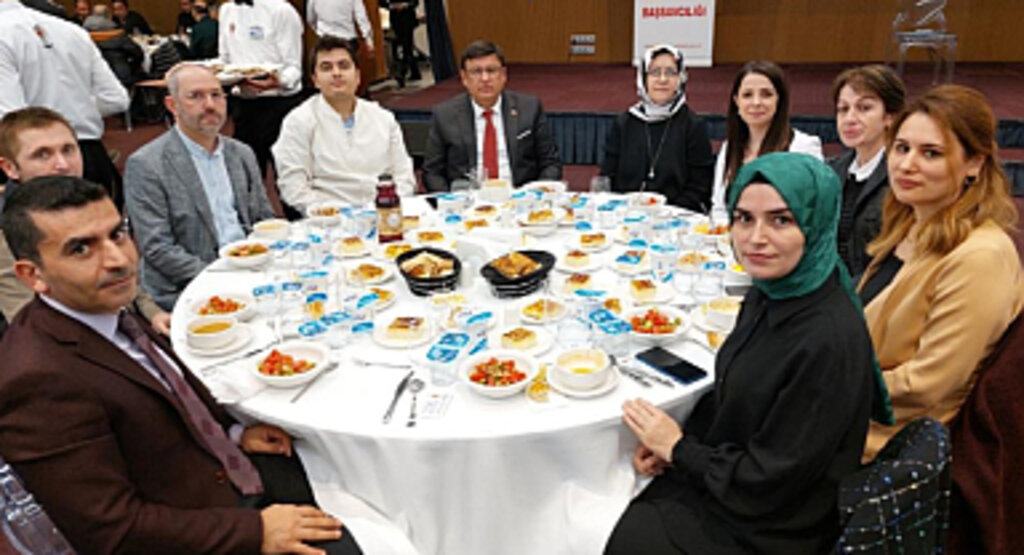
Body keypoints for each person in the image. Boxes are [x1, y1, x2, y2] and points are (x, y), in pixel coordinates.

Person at [0, 175, 363, 555]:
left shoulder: (99, 310)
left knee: (351, 467)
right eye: (80, 249)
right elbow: (112, 532)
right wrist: (255, 531)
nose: (118, 260)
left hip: (223, 466)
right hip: (202, 524)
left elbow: (163, 397)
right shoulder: (36, 380)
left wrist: (234, 433)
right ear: (32, 275)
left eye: (117, 235)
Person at [605, 152, 888, 555]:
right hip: (740, 482)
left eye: (781, 220)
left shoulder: (825, 337)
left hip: (774, 524)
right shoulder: (771, 292)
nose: (755, 238)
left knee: (609, 528)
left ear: (815, 225)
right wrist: (679, 446)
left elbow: (775, 478)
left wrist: (681, 450)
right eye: (744, 218)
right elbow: (740, 406)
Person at [858, 85, 1024, 460]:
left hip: (888, 443)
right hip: (854, 409)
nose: (906, 164)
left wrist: (823, 387)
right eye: (902, 148)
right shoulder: (910, 225)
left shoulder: (981, 257)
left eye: (930, 153)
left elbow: (926, 386)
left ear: (974, 164)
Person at [0, 107, 169, 332]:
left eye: (68, 150)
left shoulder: (87, 199)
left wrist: (153, 313)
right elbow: (32, 326)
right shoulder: (7, 234)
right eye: (43, 155)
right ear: (10, 168)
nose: (62, 164)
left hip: (130, 324)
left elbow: (123, 268)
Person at [124, 63, 276, 310]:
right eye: (195, 96)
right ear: (172, 105)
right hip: (189, 287)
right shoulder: (147, 165)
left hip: (250, 270)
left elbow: (263, 219)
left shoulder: (241, 153)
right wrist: (222, 277)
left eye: (216, 95)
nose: (209, 105)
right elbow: (158, 248)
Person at [0, 0, 129, 209]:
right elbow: (115, 99)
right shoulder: (72, 30)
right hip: (93, 158)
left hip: (36, 165)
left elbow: (10, 118)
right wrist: (76, 111)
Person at [272, 36, 415, 210]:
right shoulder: (298, 121)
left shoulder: (383, 118)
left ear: (358, 76)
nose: (336, 73)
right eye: (326, 68)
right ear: (315, 80)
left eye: (344, 66)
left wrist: (389, 205)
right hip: (328, 218)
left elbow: (404, 176)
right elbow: (293, 188)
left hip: (385, 211)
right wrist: (341, 213)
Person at [423, 40, 561, 192]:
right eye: (476, 72)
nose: (485, 79)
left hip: (520, 198)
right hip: (467, 200)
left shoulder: (529, 108)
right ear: (464, 78)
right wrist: (451, 201)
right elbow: (432, 172)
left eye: (491, 70)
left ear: (503, 75)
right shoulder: (445, 115)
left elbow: (551, 164)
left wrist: (537, 195)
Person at [600, 44, 714, 212]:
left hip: (676, 217)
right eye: (654, 72)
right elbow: (608, 178)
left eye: (670, 72)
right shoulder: (624, 124)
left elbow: (700, 187)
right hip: (626, 215)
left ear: (681, 78)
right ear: (643, 78)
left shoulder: (693, 126)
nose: (662, 79)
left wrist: (666, 213)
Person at [710, 61, 823, 217]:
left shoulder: (803, 147)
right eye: (747, 95)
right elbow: (719, 208)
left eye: (766, 94)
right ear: (736, 101)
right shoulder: (729, 148)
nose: (756, 102)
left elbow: (815, 211)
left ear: (779, 100)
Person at [828, 65, 906, 277]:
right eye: (843, 109)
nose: (849, 118)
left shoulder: (902, 174)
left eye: (864, 108)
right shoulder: (831, 171)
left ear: (890, 116)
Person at [218, 0, 304, 188]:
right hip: (243, 104)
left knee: (288, 177)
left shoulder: (282, 11)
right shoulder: (226, 10)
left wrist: (278, 81)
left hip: (279, 105)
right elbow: (224, 60)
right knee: (246, 178)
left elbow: (294, 68)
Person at [83, 10, 146, 88]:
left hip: (93, 80)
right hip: (121, 78)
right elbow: (138, 54)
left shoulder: (83, 36)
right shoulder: (117, 35)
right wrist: (132, 65)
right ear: (108, 17)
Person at [306, 0, 375, 57]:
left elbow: (310, 19)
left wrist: (318, 30)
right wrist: (369, 41)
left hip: (325, 39)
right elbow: (361, 18)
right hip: (347, 39)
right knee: (347, 67)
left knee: (327, 67)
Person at [380, 0, 421, 87]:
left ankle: (402, 73)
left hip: (407, 17)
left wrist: (405, 5)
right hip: (396, 19)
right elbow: (381, 2)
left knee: (406, 46)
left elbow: (415, 2)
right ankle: (414, 71)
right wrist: (391, 6)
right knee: (407, 46)